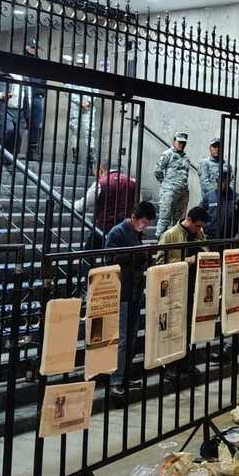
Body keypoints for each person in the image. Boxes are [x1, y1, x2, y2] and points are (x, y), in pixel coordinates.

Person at [105, 200, 157, 399]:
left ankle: (125, 375)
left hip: (135, 289)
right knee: (123, 337)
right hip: (122, 290)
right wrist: (136, 255)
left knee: (132, 334)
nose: (145, 226)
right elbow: (109, 259)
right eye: (144, 221)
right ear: (135, 216)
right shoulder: (118, 232)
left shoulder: (136, 233)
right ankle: (116, 379)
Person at [76, 165, 138, 251]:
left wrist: (75, 205)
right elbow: (138, 206)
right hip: (125, 229)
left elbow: (81, 206)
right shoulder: (133, 183)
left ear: (101, 170)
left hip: (104, 228)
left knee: (87, 254)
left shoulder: (101, 183)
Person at [154, 131, 191, 236]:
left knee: (179, 220)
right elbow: (157, 171)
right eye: (179, 142)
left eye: (183, 143)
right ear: (174, 141)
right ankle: (159, 242)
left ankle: (174, 242)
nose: (181, 144)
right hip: (169, 191)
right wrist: (166, 184)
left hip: (183, 191)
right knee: (164, 218)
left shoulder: (186, 157)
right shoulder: (167, 154)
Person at [201, 161, 239, 241]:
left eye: (224, 181)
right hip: (210, 239)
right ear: (217, 181)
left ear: (228, 181)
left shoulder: (237, 199)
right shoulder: (208, 196)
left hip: (229, 239)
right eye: (220, 181)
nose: (222, 183)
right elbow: (200, 215)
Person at [22, 37, 47, 160]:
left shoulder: (39, 62)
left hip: (36, 95)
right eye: (33, 48)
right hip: (24, 94)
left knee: (36, 124)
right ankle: (14, 149)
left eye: (36, 48)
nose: (35, 50)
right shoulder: (21, 61)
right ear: (27, 47)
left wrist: (42, 92)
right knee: (22, 121)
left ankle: (31, 152)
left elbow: (44, 79)